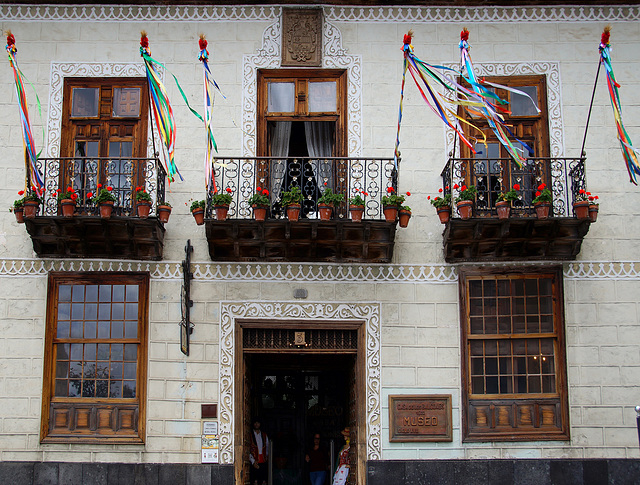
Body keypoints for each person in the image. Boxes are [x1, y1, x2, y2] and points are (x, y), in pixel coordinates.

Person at [249, 417, 269, 485]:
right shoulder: (250, 435)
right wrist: (253, 461)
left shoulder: (264, 435)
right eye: (255, 423)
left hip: (263, 460)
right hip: (254, 460)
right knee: (255, 481)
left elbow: (267, 446)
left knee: (263, 480)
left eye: (258, 423)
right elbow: (248, 449)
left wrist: (267, 456)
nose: (256, 424)